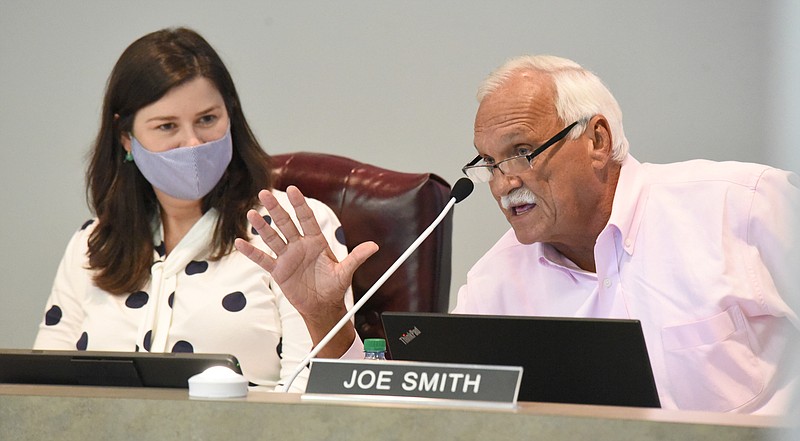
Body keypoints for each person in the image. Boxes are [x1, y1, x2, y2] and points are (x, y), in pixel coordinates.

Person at [237, 55, 799, 412]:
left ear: (597, 140)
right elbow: (413, 416)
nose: (505, 182)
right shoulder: (497, 281)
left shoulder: (743, 207)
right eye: (489, 163)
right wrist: (322, 316)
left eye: (523, 153)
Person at [33, 27, 355, 392]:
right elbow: (46, 390)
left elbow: (317, 397)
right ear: (126, 138)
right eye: (167, 126)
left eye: (207, 119)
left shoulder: (292, 230)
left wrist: (325, 317)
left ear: (230, 115)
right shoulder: (91, 243)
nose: (192, 143)